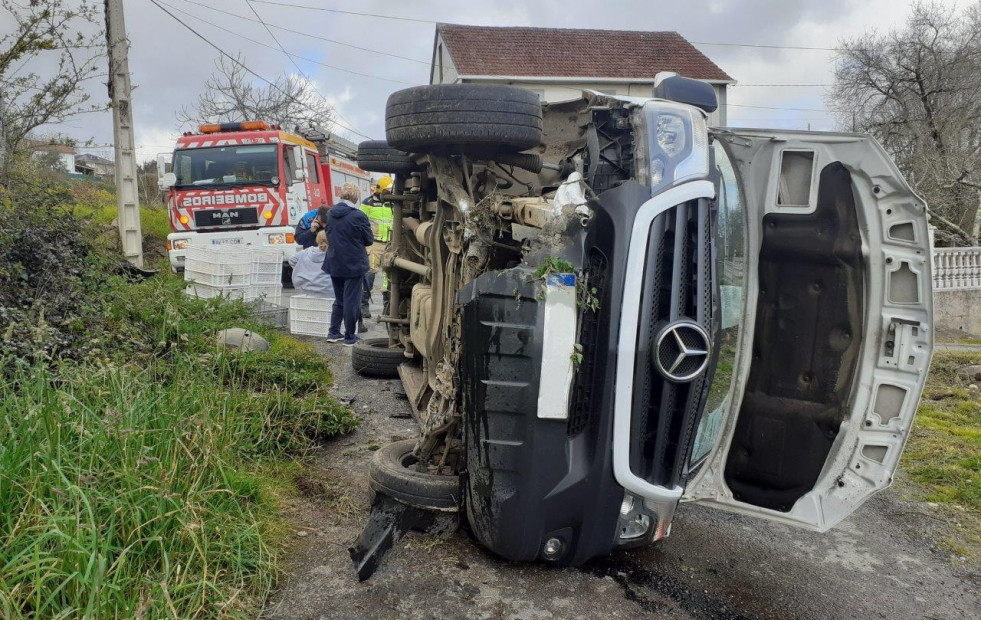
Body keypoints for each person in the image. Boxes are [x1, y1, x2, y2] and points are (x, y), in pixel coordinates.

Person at [323, 182, 373, 346]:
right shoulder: (358, 215)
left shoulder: (330, 213)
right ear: (356, 197)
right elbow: (369, 239)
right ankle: (350, 336)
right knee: (352, 300)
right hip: (353, 264)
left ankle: (333, 332)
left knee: (339, 299)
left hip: (334, 262)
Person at [359, 176, 394, 325]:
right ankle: (363, 305)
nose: (389, 193)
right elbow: (360, 222)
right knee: (370, 273)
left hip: (391, 243)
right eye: (387, 190)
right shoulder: (367, 203)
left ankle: (388, 306)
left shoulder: (393, 202)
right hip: (374, 243)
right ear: (379, 189)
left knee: (389, 276)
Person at [288, 230, 334, 298]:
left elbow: (292, 259)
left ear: (317, 240)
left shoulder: (307, 251)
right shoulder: (334, 254)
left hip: (305, 291)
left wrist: (301, 269)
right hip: (328, 293)